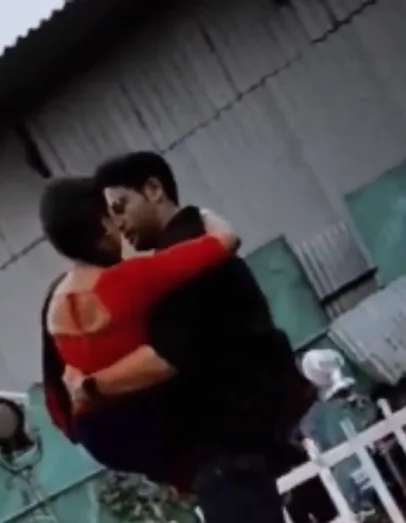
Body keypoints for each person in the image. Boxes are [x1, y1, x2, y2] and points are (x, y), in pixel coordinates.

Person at [80, 151, 323, 523]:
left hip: (225, 447)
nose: (119, 223)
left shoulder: (183, 263)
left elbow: (168, 356)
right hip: (246, 441)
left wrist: (91, 387)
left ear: (153, 189)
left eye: (120, 206)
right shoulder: (205, 243)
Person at [38, 176, 238, 486]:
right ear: (103, 226)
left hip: (96, 435)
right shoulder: (131, 280)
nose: (120, 224)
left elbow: (57, 380)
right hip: (147, 419)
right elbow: (225, 241)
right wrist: (201, 213)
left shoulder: (54, 305)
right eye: (113, 215)